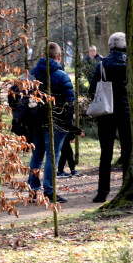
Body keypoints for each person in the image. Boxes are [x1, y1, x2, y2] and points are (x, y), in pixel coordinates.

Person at [27, 42, 76, 203]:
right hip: (57, 122)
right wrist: (69, 125)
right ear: (59, 57)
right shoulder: (62, 76)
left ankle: (33, 190)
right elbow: (70, 104)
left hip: (36, 121)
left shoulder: (32, 74)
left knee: (37, 154)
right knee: (52, 156)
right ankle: (49, 190)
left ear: (43, 56)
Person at [89, 32, 132, 203]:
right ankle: (126, 187)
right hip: (126, 112)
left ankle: (102, 192)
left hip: (106, 113)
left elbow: (92, 90)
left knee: (105, 153)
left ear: (110, 46)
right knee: (128, 151)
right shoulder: (130, 64)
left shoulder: (101, 65)